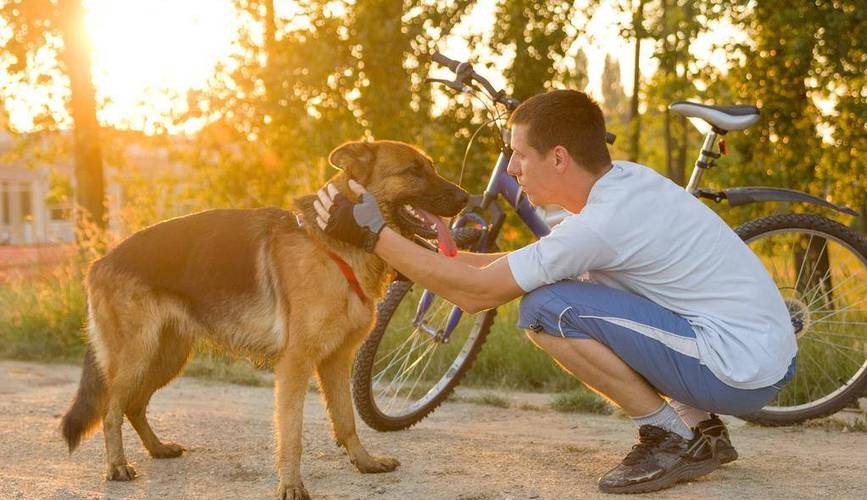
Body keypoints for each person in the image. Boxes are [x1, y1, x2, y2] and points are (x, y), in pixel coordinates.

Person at [313, 89, 797, 494]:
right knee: (563, 291)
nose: (515, 169)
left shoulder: (600, 224)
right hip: (748, 352)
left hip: (739, 369)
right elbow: (496, 268)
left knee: (548, 308)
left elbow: (479, 294)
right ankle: (702, 430)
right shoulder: (622, 185)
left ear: (559, 158)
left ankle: (669, 438)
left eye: (520, 155)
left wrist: (375, 236)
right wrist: (411, 258)